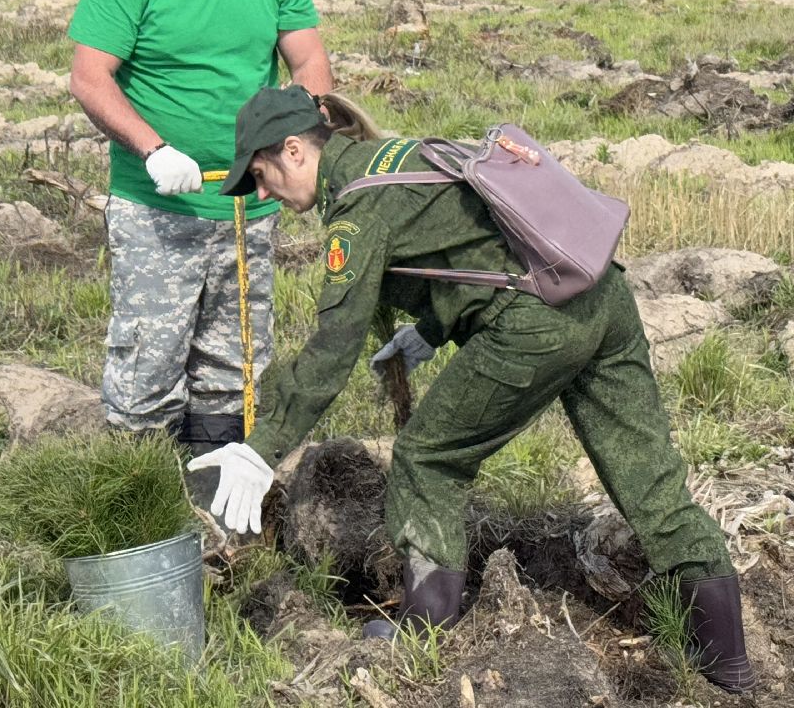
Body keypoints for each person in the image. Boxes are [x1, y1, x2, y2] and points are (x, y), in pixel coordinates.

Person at [188, 85, 759, 695]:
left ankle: (426, 630)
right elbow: (471, 245)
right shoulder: (397, 156)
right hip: (602, 296)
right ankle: (729, 668)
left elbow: (333, 348)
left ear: (295, 150)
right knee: (654, 483)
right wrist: (428, 333)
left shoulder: (355, 214)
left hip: (535, 323)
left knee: (427, 458)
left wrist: (261, 447)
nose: (265, 194)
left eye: (262, 175)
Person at [67, 0, 333, 461]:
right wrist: (153, 149)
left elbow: (309, 59)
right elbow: (89, 77)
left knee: (232, 376)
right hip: (157, 211)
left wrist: (297, 139)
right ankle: (145, 503)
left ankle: (215, 504)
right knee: (147, 371)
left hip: (247, 212)